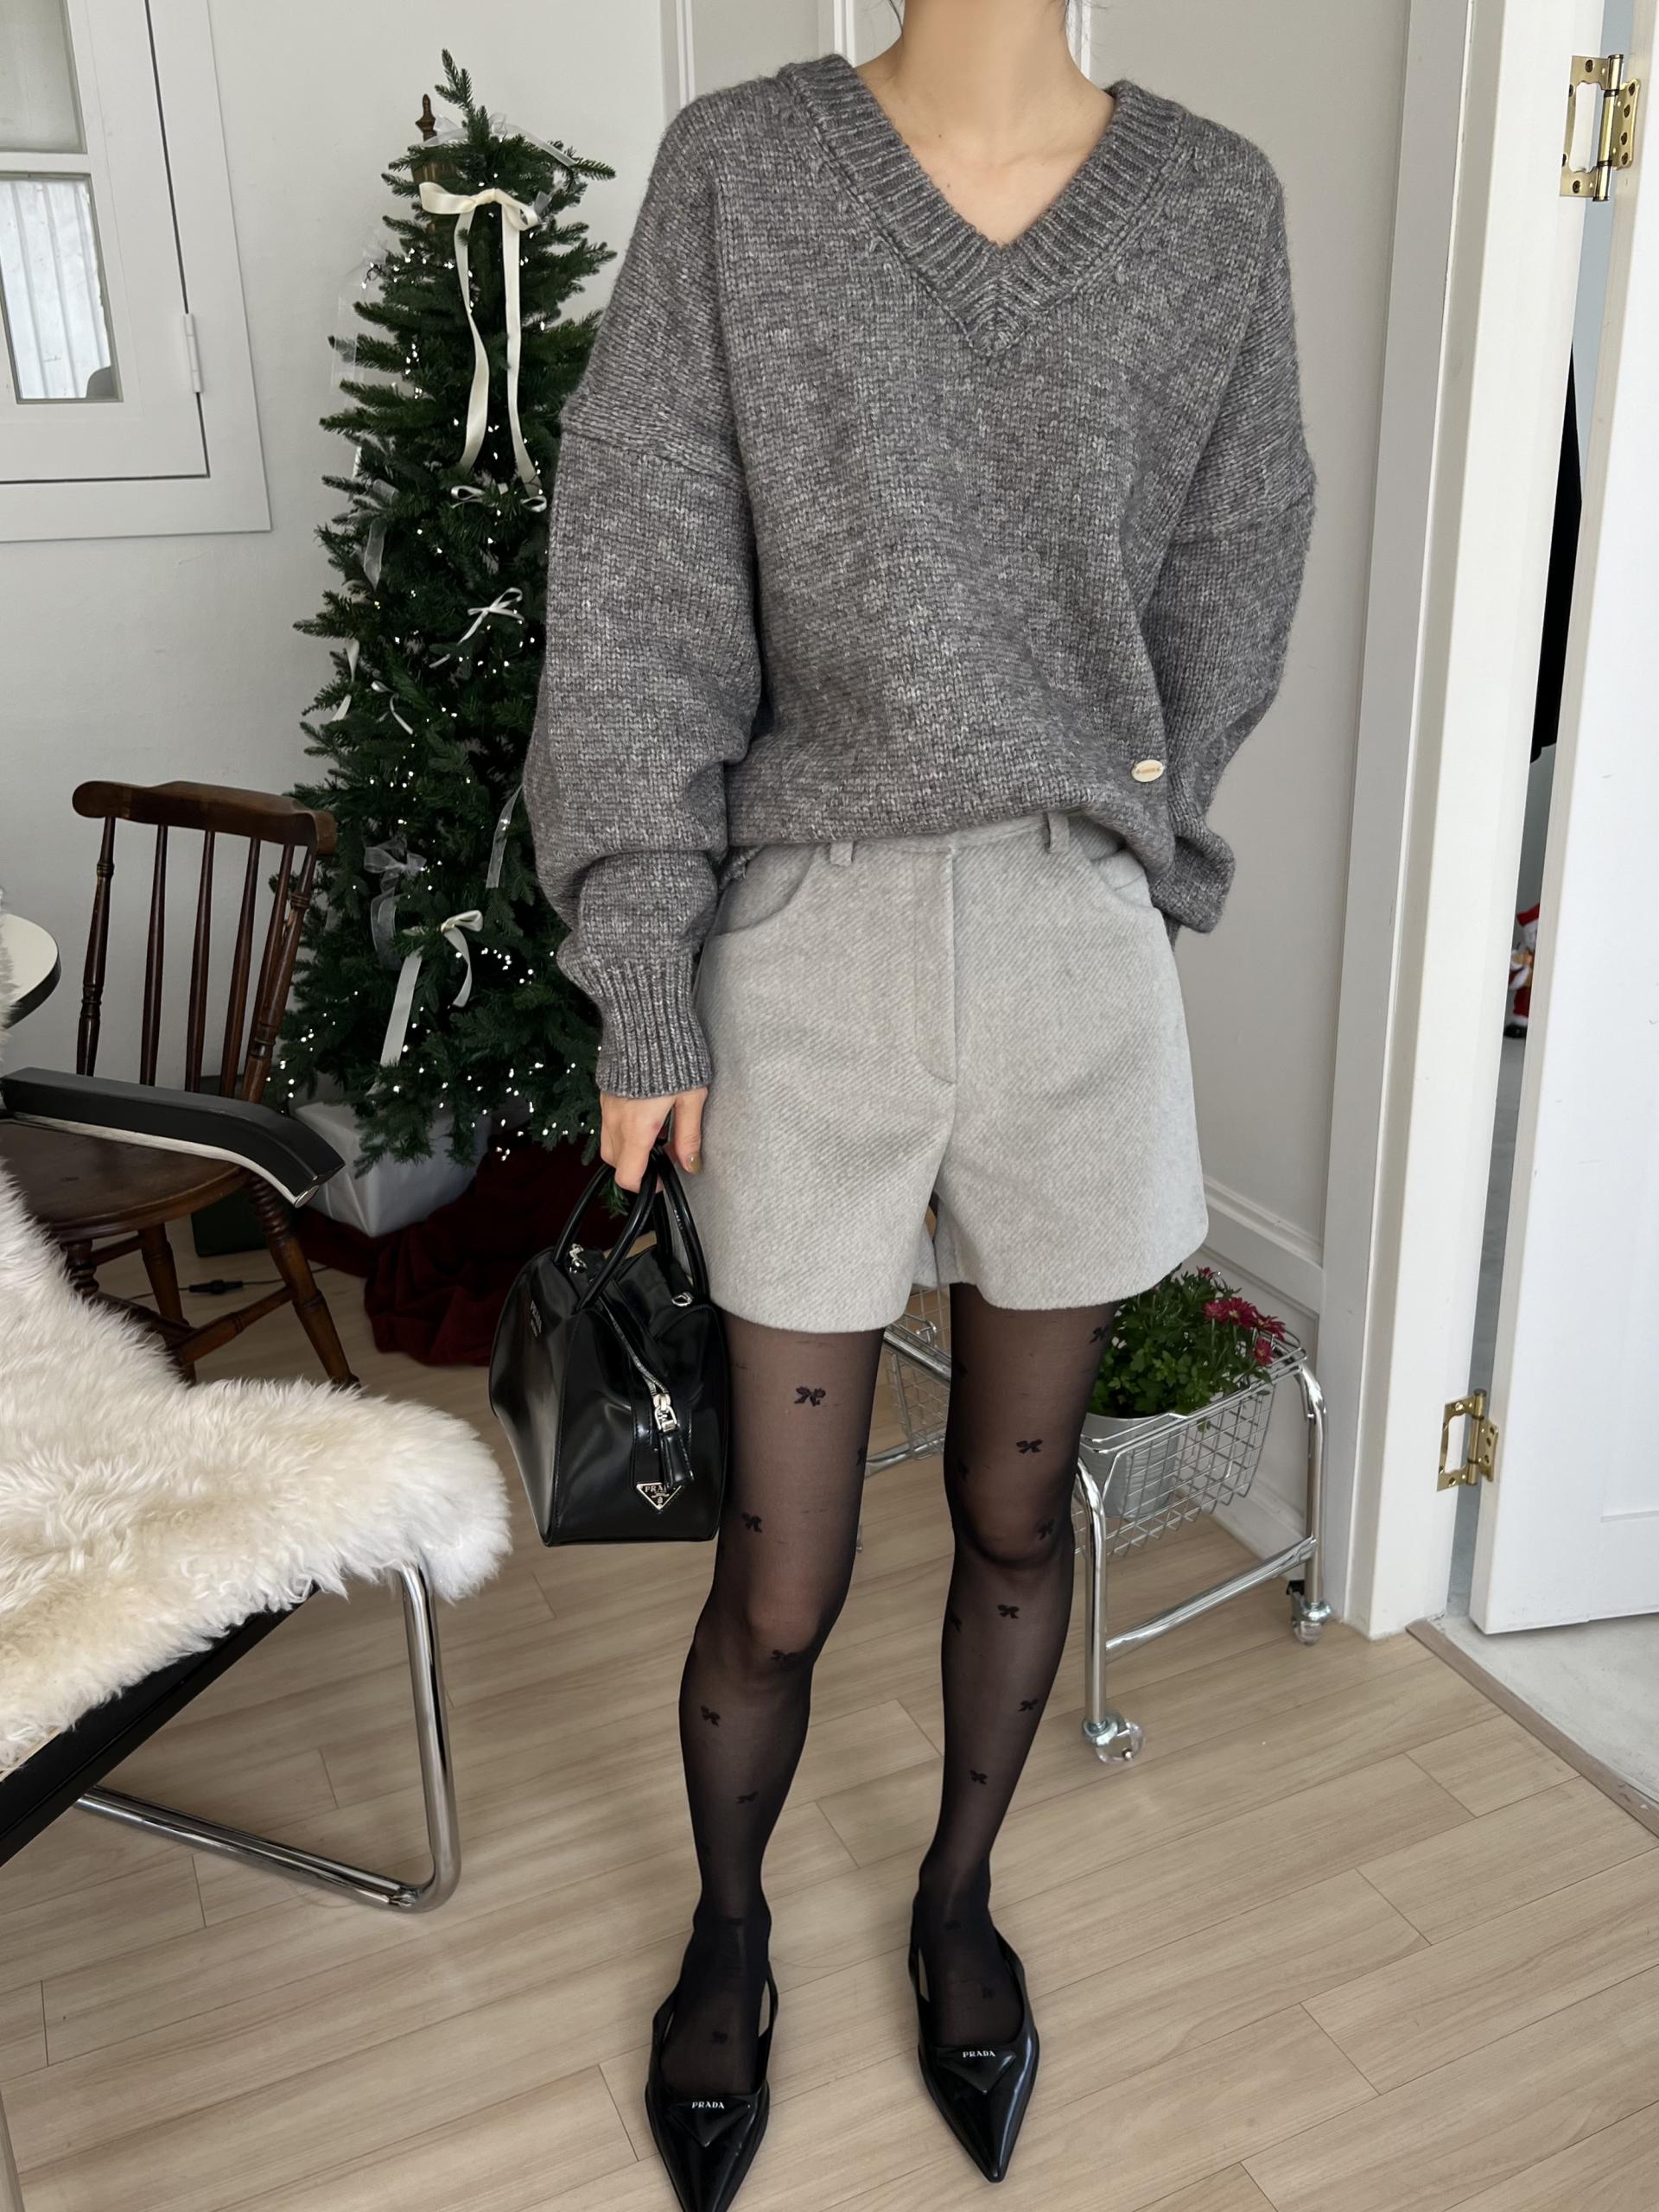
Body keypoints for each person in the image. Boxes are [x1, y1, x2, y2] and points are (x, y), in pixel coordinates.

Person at [525, 0, 1314, 2200]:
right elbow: (642, 580)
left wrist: (1142, 828)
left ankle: (958, 1901)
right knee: (780, 1573)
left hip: (1074, 943)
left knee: (1014, 1510)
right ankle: (730, 1930)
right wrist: (645, 969)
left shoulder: (1211, 204)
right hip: (810, 947)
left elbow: (1241, 553)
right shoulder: (742, 173)